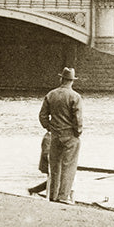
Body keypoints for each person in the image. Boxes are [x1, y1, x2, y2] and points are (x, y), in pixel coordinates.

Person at [39, 67, 82, 204]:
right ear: (72, 81)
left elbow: (42, 116)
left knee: (55, 166)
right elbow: (78, 119)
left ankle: (53, 195)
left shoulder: (51, 94)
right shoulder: (75, 97)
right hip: (70, 135)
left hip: (55, 134)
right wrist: (77, 132)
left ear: (61, 79)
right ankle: (64, 196)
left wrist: (49, 127)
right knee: (69, 166)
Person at [28, 132, 51, 197]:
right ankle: (34, 190)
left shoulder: (49, 137)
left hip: (49, 162)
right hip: (47, 163)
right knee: (52, 180)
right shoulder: (48, 138)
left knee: (53, 180)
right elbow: (45, 152)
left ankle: (34, 190)